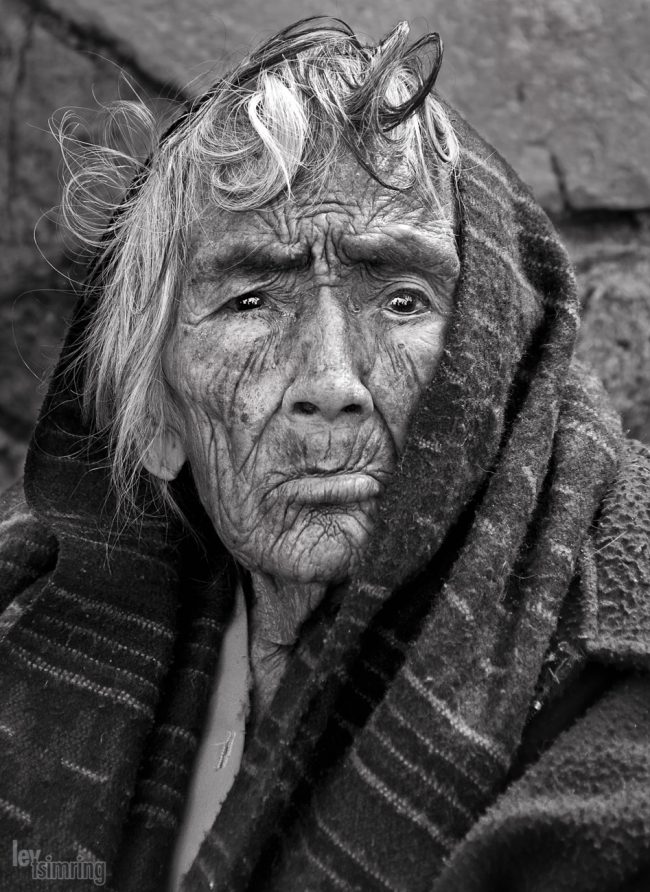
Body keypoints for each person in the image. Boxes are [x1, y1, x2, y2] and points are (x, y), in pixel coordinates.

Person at [0, 17, 649, 892]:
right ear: (155, 412)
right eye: (253, 299)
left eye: (405, 299)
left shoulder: (614, 671)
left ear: (489, 365)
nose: (332, 380)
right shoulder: (30, 631)